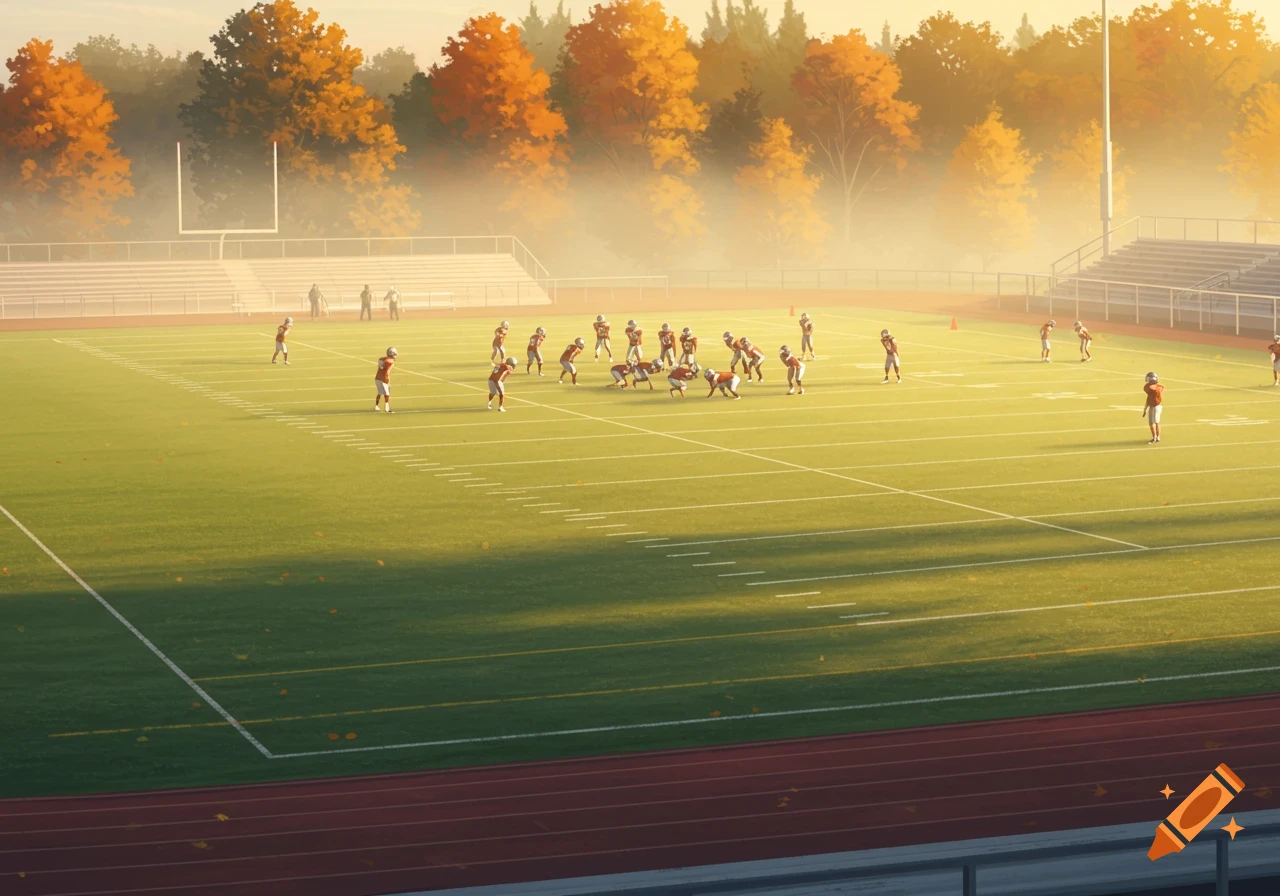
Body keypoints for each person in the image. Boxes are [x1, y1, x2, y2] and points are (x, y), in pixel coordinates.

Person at [374, 347, 397, 413]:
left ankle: (376, 406)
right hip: (384, 379)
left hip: (377, 378)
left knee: (379, 393)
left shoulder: (382, 359)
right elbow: (387, 371)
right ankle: (387, 409)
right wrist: (387, 380)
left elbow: (381, 363)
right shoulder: (390, 362)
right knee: (387, 394)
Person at [1143, 371, 1163, 444]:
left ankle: (1154, 437)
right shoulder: (1160, 387)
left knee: (1152, 423)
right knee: (1157, 422)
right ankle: (1158, 436)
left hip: (1154, 406)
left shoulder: (1148, 388)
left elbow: (1148, 388)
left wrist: (1145, 409)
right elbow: (1160, 387)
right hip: (1158, 406)